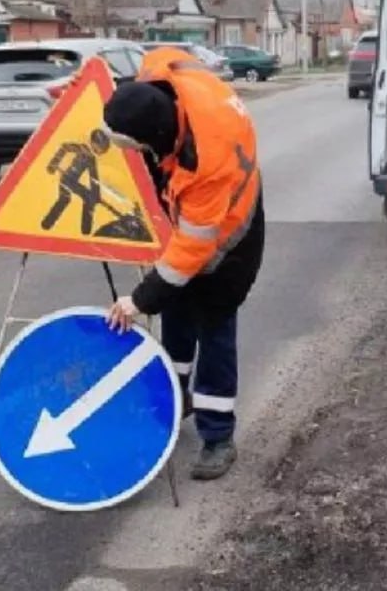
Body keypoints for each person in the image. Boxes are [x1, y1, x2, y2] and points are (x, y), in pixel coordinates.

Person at [102, 46, 265, 481]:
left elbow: (191, 253)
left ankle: (218, 436)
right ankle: (175, 396)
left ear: (156, 137)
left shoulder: (204, 162)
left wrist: (137, 301)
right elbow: (167, 54)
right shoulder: (160, 78)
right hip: (191, 218)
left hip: (231, 236)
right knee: (175, 309)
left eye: (138, 149)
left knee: (212, 325)